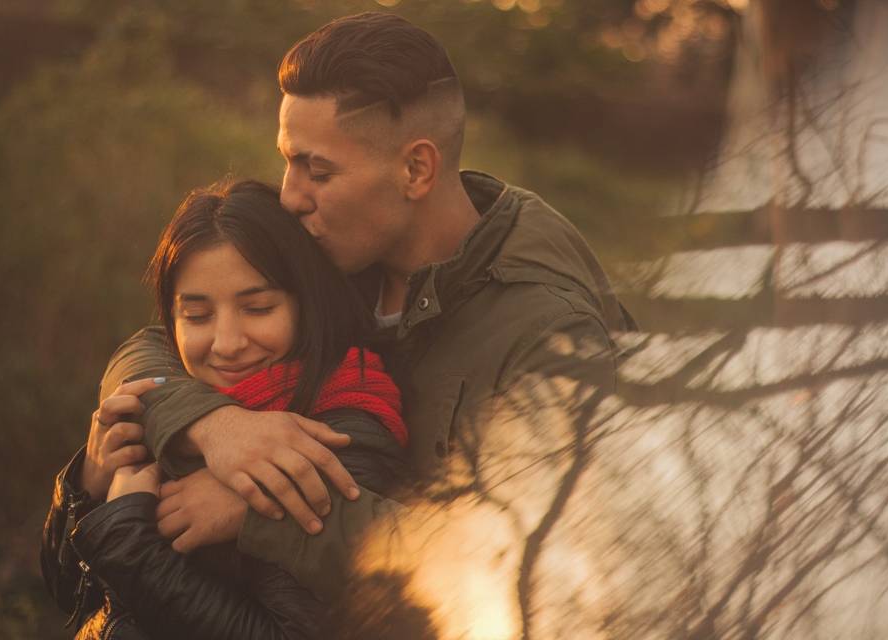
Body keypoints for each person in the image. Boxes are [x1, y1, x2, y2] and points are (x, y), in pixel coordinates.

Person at [99, 11, 636, 586]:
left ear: (416, 168)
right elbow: (157, 341)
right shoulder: (343, 246)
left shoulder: (548, 334)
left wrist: (261, 511)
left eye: (318, 171)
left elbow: (517, 565)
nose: (289, 197)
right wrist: (214, 425)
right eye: (287, 161)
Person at [41, 180, 408, 639]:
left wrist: (128, 538)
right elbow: (66, 592)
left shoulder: (339, 429)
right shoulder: (168, 406)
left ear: (306, 303)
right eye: (196, 316)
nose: (227, 344)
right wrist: (87, 490)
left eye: (257, 308)